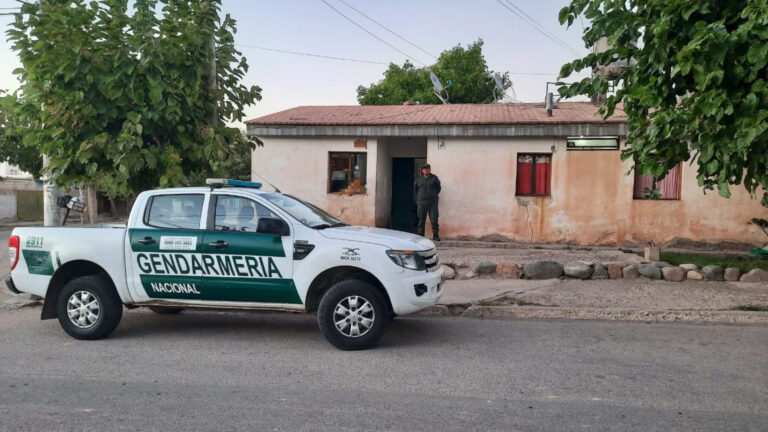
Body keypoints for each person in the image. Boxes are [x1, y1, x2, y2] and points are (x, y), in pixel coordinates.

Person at [414, 163, 441, 241]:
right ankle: (420, 237)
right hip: (421, 203)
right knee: (421, 220)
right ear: (422, 170)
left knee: (434, 220)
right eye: (424, 169)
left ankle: (436, 236)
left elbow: (438, 188)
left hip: (432, 203)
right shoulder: (418, 179)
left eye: (427, 168)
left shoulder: (434, 178)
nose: (426, 170)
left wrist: (432, 195)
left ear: (430, 169)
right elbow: (415, 190)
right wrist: (417, 200)